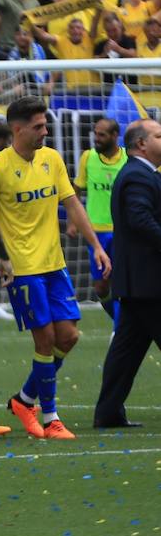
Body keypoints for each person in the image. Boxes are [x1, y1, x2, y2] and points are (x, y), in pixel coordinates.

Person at [0, 97, 110, 441]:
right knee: (46, 339)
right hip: (23, 268)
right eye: (38, 126)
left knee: (68, 336)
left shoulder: (52, 159)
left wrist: (96, 247)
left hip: (54, 264)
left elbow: (72, 203)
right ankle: (51, 416)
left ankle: (25, 399)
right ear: (18, 129)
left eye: (46, 125)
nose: (45, 131)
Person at [93, 118, 161, 428]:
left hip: (138, 282)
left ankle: (108, 412)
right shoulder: (138, 176)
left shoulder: (139, 174)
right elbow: (140, 220)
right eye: (159, 135)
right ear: (142, 144)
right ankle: (107, 411)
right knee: (126, 350)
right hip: (149, 282)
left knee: (126, 351)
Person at [71, 117, 124, 324]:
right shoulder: (88, 157)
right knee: (101, 287)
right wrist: (73, 222)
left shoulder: (128, 158)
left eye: (102, 134)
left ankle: (119, 329)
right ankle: (120, 322)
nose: (97, 138)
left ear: (114, 136)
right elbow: (76, 190)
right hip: (96, 233)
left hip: (122, 231)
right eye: (95, 133)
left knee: (121, 283)